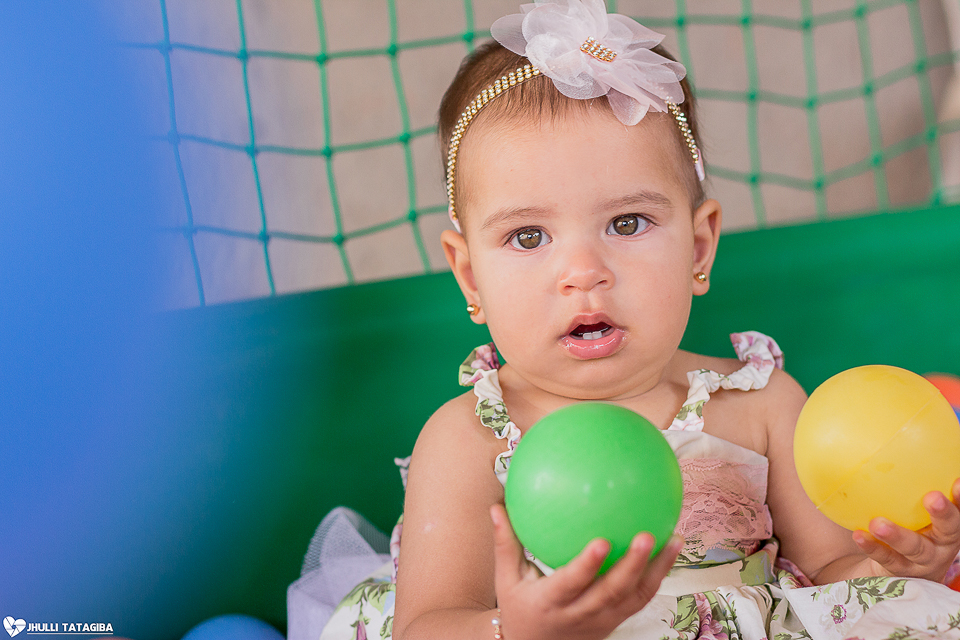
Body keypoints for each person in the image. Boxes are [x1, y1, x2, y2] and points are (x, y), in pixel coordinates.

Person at [319, 1, 960, 638]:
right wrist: (514, 629)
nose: (583, 271)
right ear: (469, 277)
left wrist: (895, 565)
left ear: (699, 249)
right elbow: (426, 625)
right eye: (528, 236)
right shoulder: (470, 440)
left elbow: (833, 580)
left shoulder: (760, 406)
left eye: (627, 223)